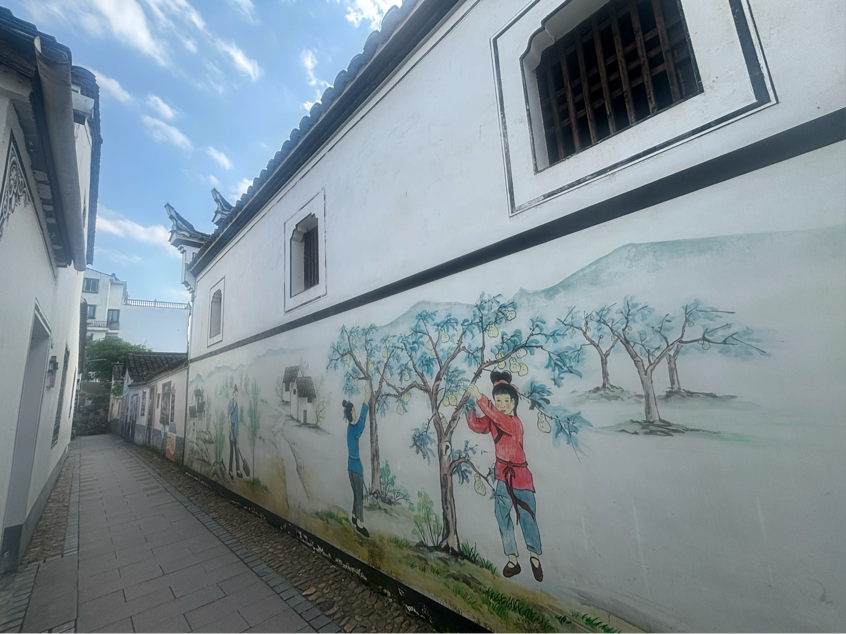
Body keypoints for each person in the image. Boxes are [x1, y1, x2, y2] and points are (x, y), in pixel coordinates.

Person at [466, 370, 543, 582]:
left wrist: (480, 398)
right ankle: (512, 559)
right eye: (498, 401)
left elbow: (498, 418)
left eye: (506, 400)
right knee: (502, 516)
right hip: (502, 477)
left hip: (521, 478)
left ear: (514, 402)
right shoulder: (494, 420)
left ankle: (534, 557)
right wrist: (467, 406)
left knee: (527, 517)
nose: (502, 405)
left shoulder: (514, 423)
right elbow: (477, 425)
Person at [343, 382, 371, 538]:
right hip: (356, 467)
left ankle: (354, 516)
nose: (354, 413)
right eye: (352, 411)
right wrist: (366, 401)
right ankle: (359, 523)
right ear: (349, 414)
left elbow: (359, 421)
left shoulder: (349, 428)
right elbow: (362, 421)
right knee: (359, 495)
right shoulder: (354, 429)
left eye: (354, 410)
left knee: (356, 493)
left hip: (350, 466)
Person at [228, 385, 242, 479]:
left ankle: (238, 470)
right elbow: (228, 415)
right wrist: (229, 425)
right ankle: (230, 470)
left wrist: (237, 433)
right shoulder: (230, 403)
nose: (236, 396)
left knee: (237, 450)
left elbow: (237, 419)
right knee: (231, 451)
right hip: (231, 429)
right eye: (235, 395)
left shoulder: (237, 406)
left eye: (237, 395)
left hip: (235, 429)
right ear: (233, 394)